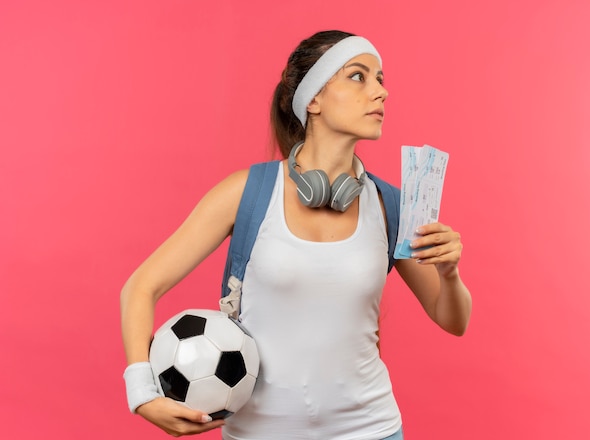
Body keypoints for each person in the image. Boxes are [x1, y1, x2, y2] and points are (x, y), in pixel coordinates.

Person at [121, 30, 472, 439]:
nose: (380, 92)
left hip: (373, 430)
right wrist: (142, 393)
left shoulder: (389, 205)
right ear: (314, 99)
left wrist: (449, 274)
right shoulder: (247, 193)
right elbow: (140, 287)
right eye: (358, 76)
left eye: (381, 79)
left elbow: (454, 321)